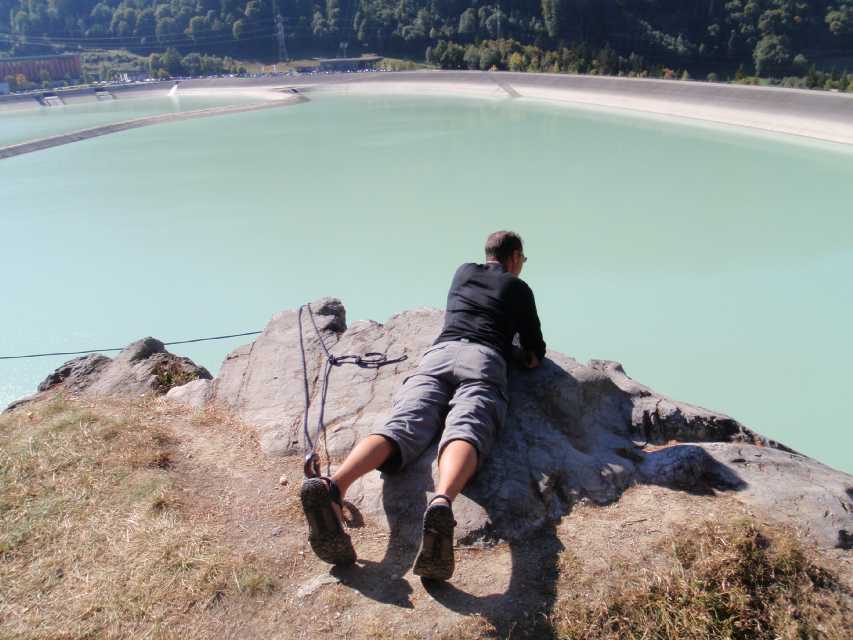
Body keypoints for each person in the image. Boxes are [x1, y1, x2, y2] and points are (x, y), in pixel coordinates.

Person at [300, 230, 546, 580]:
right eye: (523, 259)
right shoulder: (518, 288)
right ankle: (442, 501)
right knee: (468, 425)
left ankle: (334, 486)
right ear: (515, 256)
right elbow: (535, 353)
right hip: (482, 360)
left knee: (401, 425)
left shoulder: (462, 271)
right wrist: (523, 352)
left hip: (438, 356)